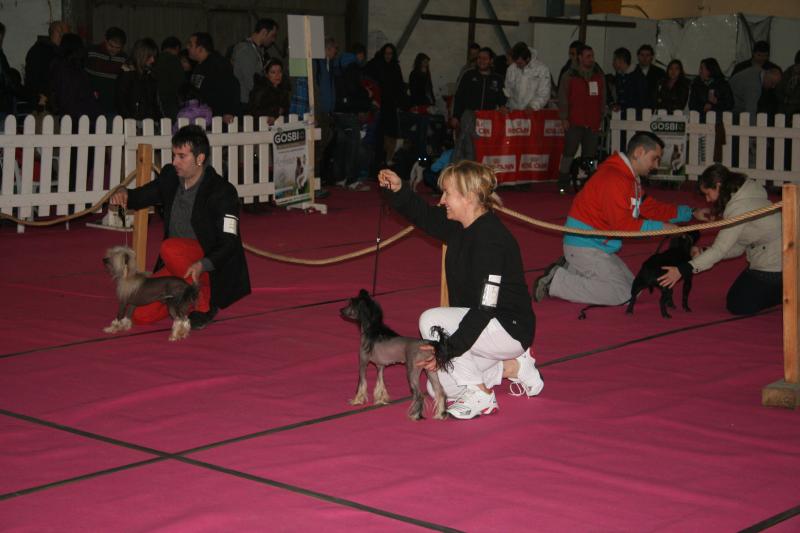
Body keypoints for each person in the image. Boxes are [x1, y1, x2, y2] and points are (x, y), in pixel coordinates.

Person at [378, 161, 544, 420]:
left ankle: (482, 396)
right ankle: (513, 367)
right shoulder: (459, 226)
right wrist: (399, 189)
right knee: (439, 388)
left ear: (469, 197)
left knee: (431, 320)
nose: (442, 200)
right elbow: (423, 215)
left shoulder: (492, 240)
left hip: (507, 327)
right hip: (480, 325)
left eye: (447, 193)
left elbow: (484, 309)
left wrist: (446, 350)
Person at [534, 132, 709, 306]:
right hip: (584, 245)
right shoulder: (614, 178)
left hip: (596, 245)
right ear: (639, 152)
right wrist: (662, 228)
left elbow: (650, 207)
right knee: (624, 294)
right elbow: (622, 226)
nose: (656, 165)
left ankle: (571, 268)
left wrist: (691, 212)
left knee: (634, 288)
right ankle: (556, 282)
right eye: (654, 158)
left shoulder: (629, 178)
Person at [108, 125, 250, 330]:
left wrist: (202, 264)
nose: (174, 162)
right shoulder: (170, 178)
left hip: (209, 266)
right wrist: (123, 193)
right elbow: (141, 196)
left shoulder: (223, 191)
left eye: (182, 156)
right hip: (177, 264)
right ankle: (183, 297)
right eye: (174, 155)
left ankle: (204, 304)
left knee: (169, 248)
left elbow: (229, 243)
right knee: (140, 315)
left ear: (200, 158)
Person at [659, 164, 781, 315]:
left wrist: (682, 270)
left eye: (708, 194)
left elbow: (720, 250)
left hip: (775, 263)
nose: (707, 199)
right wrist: (704, 252)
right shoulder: (748, 194)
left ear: (718, 186)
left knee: (739, 305)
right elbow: (738, 247)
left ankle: (788, 291)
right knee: (737, 299)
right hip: (774, 256)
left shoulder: (738, 209)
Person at [556, 44, 605, 194]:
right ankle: (563, 183)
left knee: (590, 156)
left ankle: (588, 184)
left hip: (593, 121)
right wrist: (564, 118)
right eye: (588, 56)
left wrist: (601, 117)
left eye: (592, 56)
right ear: (580, 58)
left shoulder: (599, 76)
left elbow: (603, 98)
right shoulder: (569, 76)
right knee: (568, 153)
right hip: (574, 121)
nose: (591, 59)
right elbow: (563, 98)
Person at [451, 47, 507, 163]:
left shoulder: (498, 79)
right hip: (469, 116)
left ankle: (481, 171)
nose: (481, 61)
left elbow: (502, 99)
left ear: (491, 60)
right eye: (479, 58)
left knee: (484, 150)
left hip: (488, 119)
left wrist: (502, 106)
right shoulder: (468, 75)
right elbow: (459, 96)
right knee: (468, 146)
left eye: (485, 58)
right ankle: (462, 168)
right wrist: (455, 116)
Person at [188, 32, 240, 124]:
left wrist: (228, 111)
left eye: (191, 45)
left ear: (200, 49)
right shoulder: (198, 66)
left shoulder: (218, 65)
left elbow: (233, 86)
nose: (188, 47)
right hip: (203, 117)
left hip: (217, 119)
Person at [48, 33, 101, 124]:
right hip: (77, 115)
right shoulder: (68, 67)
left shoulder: (65, 65)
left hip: (77, 115)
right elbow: (68, 95)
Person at [366, 43, 404, 165]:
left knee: (390, 133)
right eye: (386, 53)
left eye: (390, 54)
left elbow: (399, 85)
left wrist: (399, 102)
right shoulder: (376, 64)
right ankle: (377, 159)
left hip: (391, 104)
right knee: (379, 132)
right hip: (379, 103)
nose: (388, 56)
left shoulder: (395, 67)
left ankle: (387, 158)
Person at [231, 18, 278, 111]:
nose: (273, 40)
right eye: (272, 35)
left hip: (253, 101)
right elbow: (250, 81)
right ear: (264, 32)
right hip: (245, 103)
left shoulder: (257, 50)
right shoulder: (246, 51)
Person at [24, 20, 70, 111]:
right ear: (58, 32)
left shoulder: (58, 52)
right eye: (65, 32)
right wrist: (40, 96)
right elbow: (35, 77)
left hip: (50, 101)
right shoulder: (41, 50)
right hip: (43, 102)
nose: (65, 37)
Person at [86, 26, 127, 118]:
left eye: (118, 48)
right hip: (90, 104)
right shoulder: (91, 52)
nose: (114, 50)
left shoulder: (124, 58)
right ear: (105, 40)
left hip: (112, 107)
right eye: (111, 46)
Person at [115, 38, 160, 121]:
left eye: (154, 57)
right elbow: (120, 102)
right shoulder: (127, 73)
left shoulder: (149, 74)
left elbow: (154, 102)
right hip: (132, 121)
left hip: (148, 121)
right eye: (149, 56)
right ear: (141, 55)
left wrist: (158, 119)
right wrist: (130, 121)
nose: (153, 60)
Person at [503, 41, 551, 111]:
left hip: (533, 113)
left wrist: (533, 106)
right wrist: (507, 106)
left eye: (520, 63)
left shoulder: (542, 70)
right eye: (515, 63)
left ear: (528, 58)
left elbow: (544, 93)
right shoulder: (511, 69)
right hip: (514, 112)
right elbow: (508, 91)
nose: (517, 66)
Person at [407, 52, 435, 160]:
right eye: (424, 62)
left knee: (424, 131)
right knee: (420, 131)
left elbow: (429, 89)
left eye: (427, 62)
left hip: (426, 105)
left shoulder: (427, 74)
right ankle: (419, 155)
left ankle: (422, 155)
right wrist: (416, 105)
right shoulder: (415, 74)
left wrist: (432, 102)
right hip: (419, 106)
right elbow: (414, 91)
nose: (426, 64)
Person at [247, 58, 289, 124]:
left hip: (279, 125)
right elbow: (253, 110)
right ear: (267, 74)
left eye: (280, 71)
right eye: (273, 72)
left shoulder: (284, 89)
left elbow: (285, 108)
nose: (277, 75)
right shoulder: (260, 90)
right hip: (260, 126)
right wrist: (275, 112)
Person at [152, 36, 185, 120]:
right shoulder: (174, 60)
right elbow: (181, 83)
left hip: (156, 102)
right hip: (171, 101)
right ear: (177, 48)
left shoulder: (154, 59)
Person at [606, 47, 647, 112]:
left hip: (634, 115)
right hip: (620, 114)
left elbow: (641, 100)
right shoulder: (619, 75)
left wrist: (622, 107)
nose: (613, 63)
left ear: (621, 60)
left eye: (614, 59)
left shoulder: (638, 76)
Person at [633, 44, 666, 109]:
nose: (644, 58)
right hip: (635, 108)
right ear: (638, 56)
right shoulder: (632, 71)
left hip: (654, 107)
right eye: (642, 55)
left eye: (647, 55)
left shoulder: (660, 72)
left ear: (652, 57)